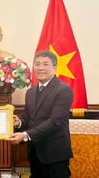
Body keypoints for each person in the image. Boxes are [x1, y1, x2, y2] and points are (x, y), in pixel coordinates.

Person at [7, 50, 73, 178]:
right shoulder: (31, 92)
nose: (40, 68)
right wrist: (19, 122)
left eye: (45, 64)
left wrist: (25, 135)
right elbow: (28, 118)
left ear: (54, 68)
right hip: (35, 152)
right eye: (37, 64)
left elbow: (54, 122)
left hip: (55, 154)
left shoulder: (64, 90)